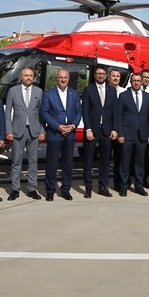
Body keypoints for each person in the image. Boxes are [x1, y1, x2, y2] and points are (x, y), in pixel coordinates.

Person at [4, 67, 45, 200]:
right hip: (18, 131)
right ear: (21, 77)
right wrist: (9, 131)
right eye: (26, 75)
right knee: (16, 162)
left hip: (34, 131)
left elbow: (42, 113)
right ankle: (15, 189)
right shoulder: (13, 91)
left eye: (31, 75)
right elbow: (7, 113)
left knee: (33, 162)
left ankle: (32, 188)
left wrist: (42, 130)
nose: (28, 78)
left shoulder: (39, 91)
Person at [41, 69, 81, 201]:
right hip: (55, 133)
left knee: (68, 163)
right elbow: (44, 113)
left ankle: (66, 189)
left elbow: (78, 112)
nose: (63, 80)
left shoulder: (74, 93)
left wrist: (73, 126)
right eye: (60, 77)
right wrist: (57, 126)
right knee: (52, 163)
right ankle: (50, 190)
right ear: (56, 79)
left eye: (65, 77)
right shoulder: (48, 94)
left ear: (68, 79)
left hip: (70, 133)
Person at [81, 65, 118, 197]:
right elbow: (85, 111)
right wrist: (88, 129)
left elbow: (115, 111)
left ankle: (103, 186)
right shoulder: (88, 90)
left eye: (103, 73)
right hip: (92, 130)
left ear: (106, 75)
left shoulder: (112, 90)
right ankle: (88, 187)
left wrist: (115, 129)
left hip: (107, 131)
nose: (100, 76)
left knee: (105, 161)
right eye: (98, 73)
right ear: (94, 75)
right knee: (88, 160)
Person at [116, 72, 149, 196]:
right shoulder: (123, 96)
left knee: (140, 162)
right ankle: (123, 186)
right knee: (125, 162)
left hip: (142, 135)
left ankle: (139, 186)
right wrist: (120, 133)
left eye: (138, 80)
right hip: (127, 134)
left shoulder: (147, 97)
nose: (136, 83)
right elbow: (119, 116)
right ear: (131, 82)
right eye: (134, 80)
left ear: (142, 82)